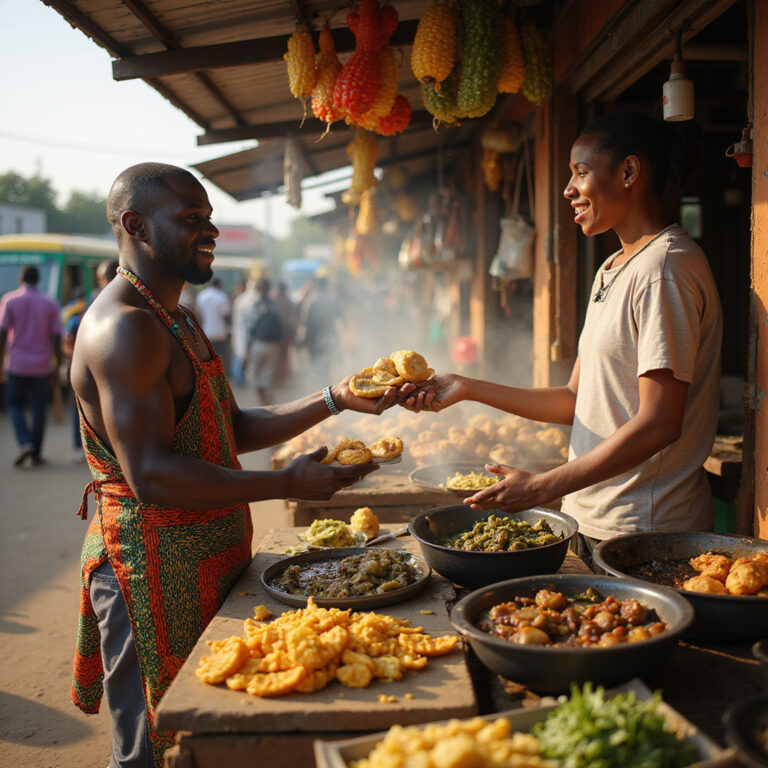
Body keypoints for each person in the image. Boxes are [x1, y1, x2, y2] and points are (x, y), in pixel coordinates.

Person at [69, 162, 412, 768]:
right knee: (158, 737)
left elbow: (227, 427)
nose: (211, 231)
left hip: (211, 553)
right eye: (190, 220)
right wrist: (287, 482)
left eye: (209, 218)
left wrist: (335, 398)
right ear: (135, 226)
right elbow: (151, 475)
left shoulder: (176, 317)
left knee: (213, 734)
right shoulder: (123, 329)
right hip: (150, 569)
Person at [404, 112, 722, 565]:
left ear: (629, 172)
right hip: (591, 522)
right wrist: (468, 388)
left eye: (581, 173)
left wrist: (541, 487)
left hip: (647, 533)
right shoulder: (613, 269)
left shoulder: (664, 269)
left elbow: (660, 422)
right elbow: (575, 399)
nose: (568, 189)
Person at [0, 265, 62, 467]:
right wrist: (58, 364)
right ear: (39, 280)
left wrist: (1, 361)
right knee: (38, 408)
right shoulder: (50, 303)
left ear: (20, 279)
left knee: (13, 403)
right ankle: (35, 452)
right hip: (42, 365)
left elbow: (2, 333)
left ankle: (24, 441)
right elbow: (56, 338)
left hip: (16, 363)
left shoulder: (9, 300)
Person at [246, 276, 284, 405]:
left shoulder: (255, 305)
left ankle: (261, 405)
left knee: (255, 377)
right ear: (269, 289)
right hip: (274, 345)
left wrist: (247, 350)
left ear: (258, 289)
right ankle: (269, 406)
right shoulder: (275, 305)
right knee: (269, 378)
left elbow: (250, 329)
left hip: (258, 344)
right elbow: (282, 326)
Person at [194, 275, 230, 368]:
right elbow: (226, 315)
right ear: (219, 285)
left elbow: (198, 315)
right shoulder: (222, 296)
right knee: (220, 358)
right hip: (220, 333)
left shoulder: (201, 296)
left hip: (206, 332)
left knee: (208, 359)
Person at [229, 276, 258, 386]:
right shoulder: (252, 299)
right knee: (242, 357)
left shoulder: (240, 299)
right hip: (246, 333)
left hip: (239, 332)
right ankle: (240, 380)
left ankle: (239, 381)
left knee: (239, 356)